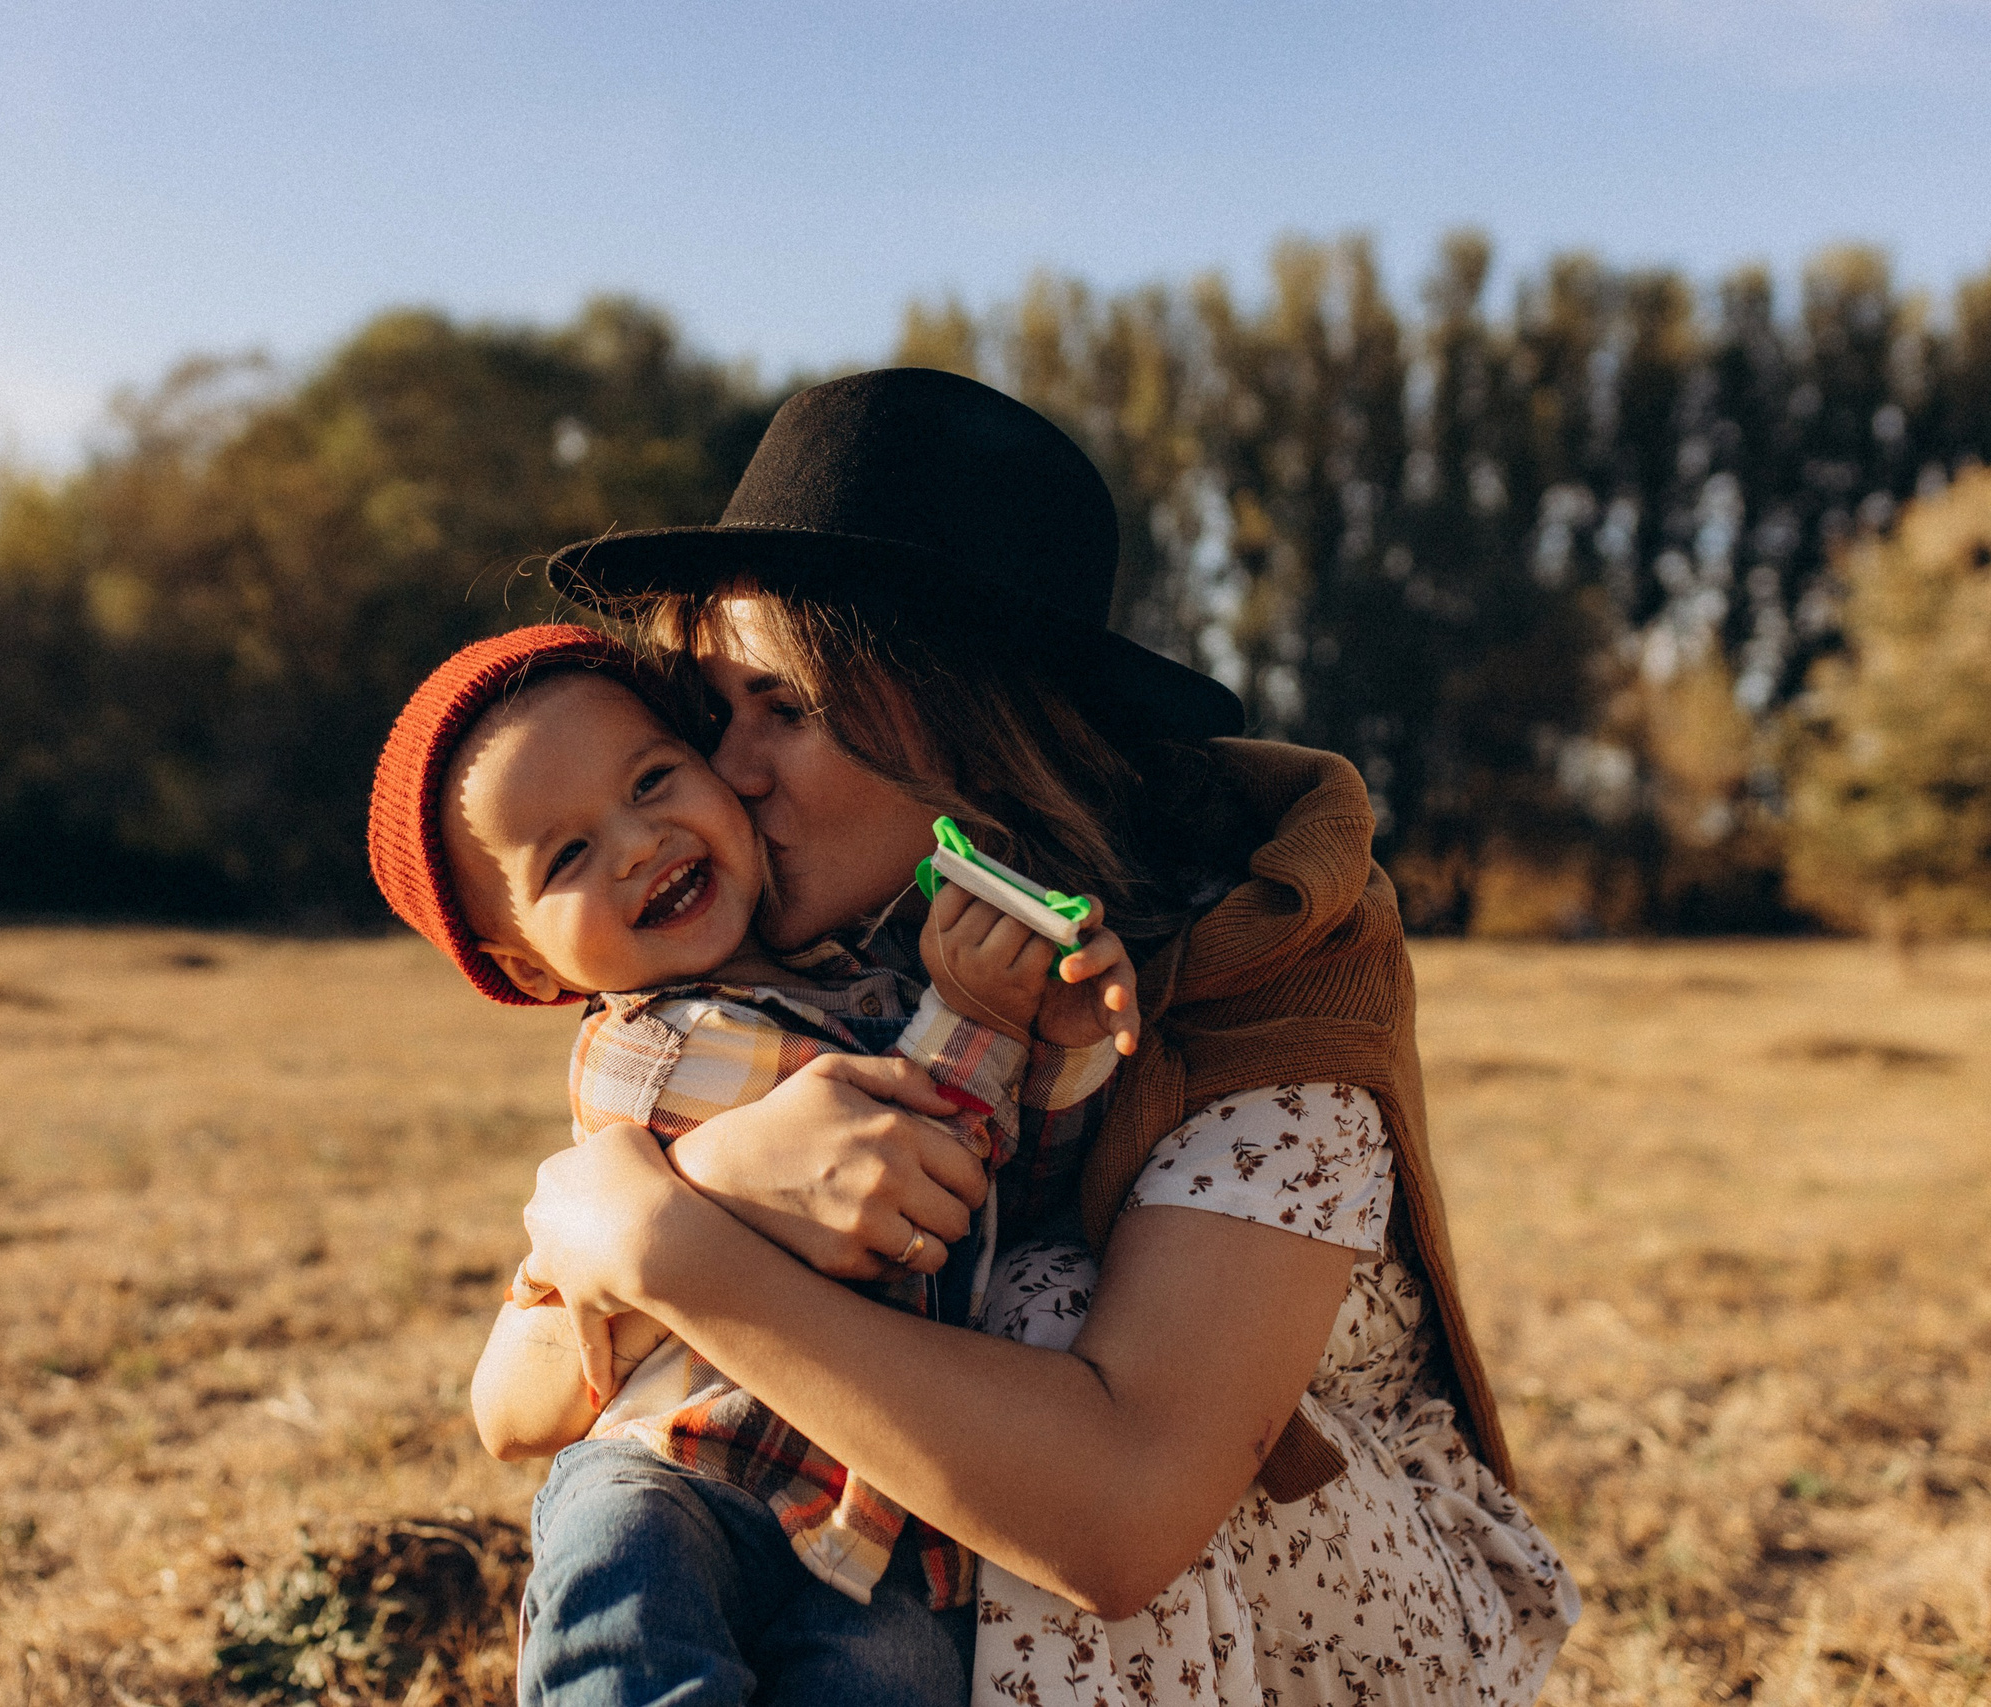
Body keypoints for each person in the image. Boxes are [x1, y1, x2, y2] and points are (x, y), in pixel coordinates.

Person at [518, 367, 1581, 1706]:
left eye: (780, 709)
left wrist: (669, 1242)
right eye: (711, 716)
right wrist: (693, 1188)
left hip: (1339, 1607)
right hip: (977, 1562)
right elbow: (524, 1402)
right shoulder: (829, 969)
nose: (728, 772)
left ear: (957, 705)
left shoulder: (1271, 964)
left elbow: (1122, 1515)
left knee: (1039, 1314)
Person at [363, 622, 1139, 1706]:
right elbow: (921, 1137)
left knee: (893, 1678)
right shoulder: (648, 1047)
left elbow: (1011, 1183)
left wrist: (1055, 1028)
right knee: (626, 1622)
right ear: (526, 968)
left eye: (651, 780)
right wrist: (980, 1017)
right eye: (569, 857)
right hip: (686, 1466)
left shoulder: (875, 972)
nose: (636, 843)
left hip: (879, 1508)